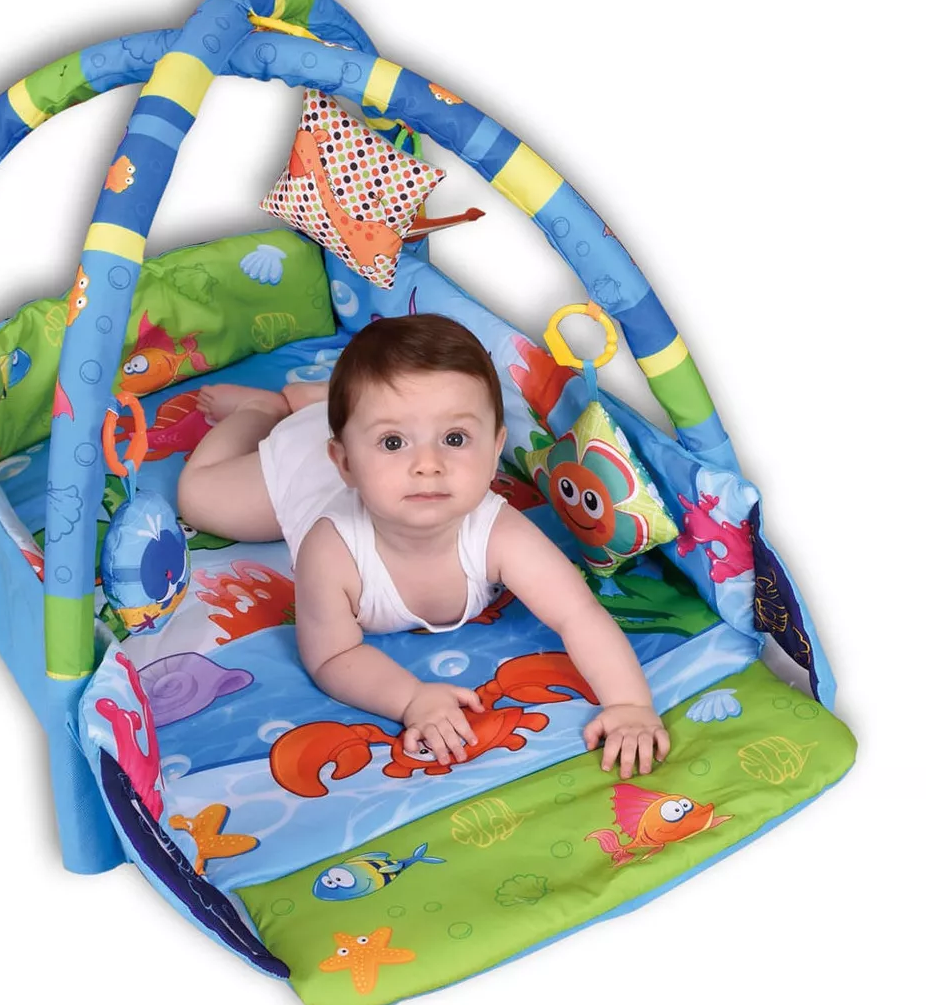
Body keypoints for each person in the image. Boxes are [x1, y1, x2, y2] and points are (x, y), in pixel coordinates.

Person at [177, 313, 669, 778]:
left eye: (455, 438)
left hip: (353, 432)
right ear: (345, 463)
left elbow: (577, 613)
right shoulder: (331, 550)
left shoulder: (500, 533)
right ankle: (267, 409)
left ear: (495, 450)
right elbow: (331, 655)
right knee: (198, 498)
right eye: (394, 443)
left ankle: (333, 407)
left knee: (387, 410)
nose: (428, 464)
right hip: (298, 472)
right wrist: (411, 697)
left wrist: (630, 704)